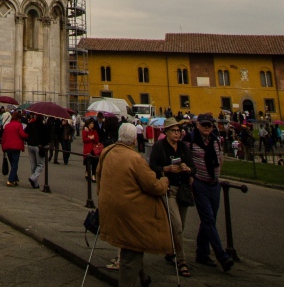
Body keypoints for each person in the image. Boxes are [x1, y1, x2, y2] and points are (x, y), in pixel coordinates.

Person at [97, 123, 174, 287]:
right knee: (132, 249)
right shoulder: (135, 158)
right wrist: (164, 181)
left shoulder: (107, 151)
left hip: (110, 206)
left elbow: (98, 177)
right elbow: (152, 186)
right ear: (134, 140)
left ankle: (143, 277)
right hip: (131, 212)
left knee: (131, 245)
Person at [186, 114, 234, 271]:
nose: (207, 128)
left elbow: (220, 157)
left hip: (214, 184)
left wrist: (218, 172)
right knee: (208, 219)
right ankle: (222, 256)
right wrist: (190, 177)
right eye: (204, 125)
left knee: (209, 219)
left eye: (210, 125)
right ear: (198, 125)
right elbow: (184, 159)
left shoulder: (215, 139)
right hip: (199, 184)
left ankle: (202, 253)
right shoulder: (190, 140)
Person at [149, 119, 193, 278]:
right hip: (168, 190)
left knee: (180, 225)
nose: (177, 133)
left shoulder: (183, 147)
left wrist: (188, 169)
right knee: (177, 225)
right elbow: (152, 166)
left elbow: (192, 166)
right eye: (173, 130)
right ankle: (182, 261)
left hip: (183, 190)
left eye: (178, 130)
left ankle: (170, 251)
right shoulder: (159, 147)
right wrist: (166, 169)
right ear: (166, 132)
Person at [1, 110, 26, 187]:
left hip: (7, 147)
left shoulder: (7, 125)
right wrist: (28, 135)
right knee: (15, 164)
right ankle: (10, 180)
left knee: (12, 163)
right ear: (18, 118)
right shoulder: (19, 125)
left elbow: (4, 137)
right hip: (15, 147)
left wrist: (3, 147)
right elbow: (22, 135)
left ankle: (15, 179)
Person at [26, 113, 47, 189]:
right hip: (38, 146)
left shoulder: (31, 124)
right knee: (40, 164)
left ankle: (35, 183)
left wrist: (28, 140)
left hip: (30, 145)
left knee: (33, 164)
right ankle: (33, 178)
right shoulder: (43, 126)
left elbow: (26, 132)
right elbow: (46, 138)